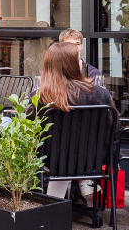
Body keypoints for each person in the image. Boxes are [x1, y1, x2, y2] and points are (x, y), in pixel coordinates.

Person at [34, 41, 118, 199]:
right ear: (75, 64)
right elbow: (116, 127)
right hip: (93, 159)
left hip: (53, 160)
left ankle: (49, 207)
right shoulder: (101, 94)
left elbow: (29, 128)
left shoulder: (40, 97)